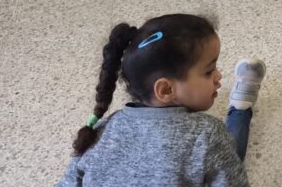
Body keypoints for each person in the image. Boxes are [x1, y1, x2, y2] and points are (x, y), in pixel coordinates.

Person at [57, 13, 265, 187]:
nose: (219, 76)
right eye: (209, 71)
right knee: (227, 150)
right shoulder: (208, 133)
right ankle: (240, 110)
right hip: (216, 151)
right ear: (165, 89)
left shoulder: (102, 129)